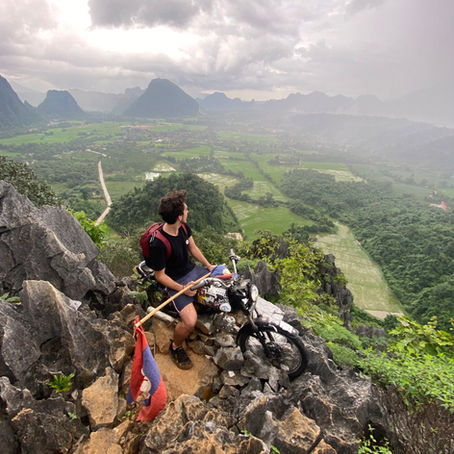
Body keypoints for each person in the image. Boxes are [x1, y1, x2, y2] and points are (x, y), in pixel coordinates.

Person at [146, 189, 215, 369]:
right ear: (178, 216)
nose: (188, 211)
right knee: (190, 321)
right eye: (185, 209)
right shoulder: (159, 243)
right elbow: (159, 275)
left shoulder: (183, 228)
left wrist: (209, 266)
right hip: (176, 282)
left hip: (193, 271)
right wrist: (182, 288)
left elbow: (193, 248)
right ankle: (175, 346)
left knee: (223, 276)